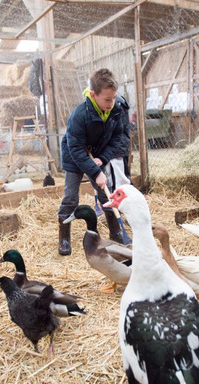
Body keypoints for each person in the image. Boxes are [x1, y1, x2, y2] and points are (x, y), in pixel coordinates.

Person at [57, 68, 128, 256]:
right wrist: (95, 173)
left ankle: (116, 232)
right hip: (75, 156)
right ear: (92, 94)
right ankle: (64, 237)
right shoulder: (79, 116)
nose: (111, 103)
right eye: (107, 99)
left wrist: (102, 159)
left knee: (106, 194)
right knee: (71, 197)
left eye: (113, 98)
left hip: (96, 155)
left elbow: (116, 138)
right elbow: (76, 149)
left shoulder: (115, 111)